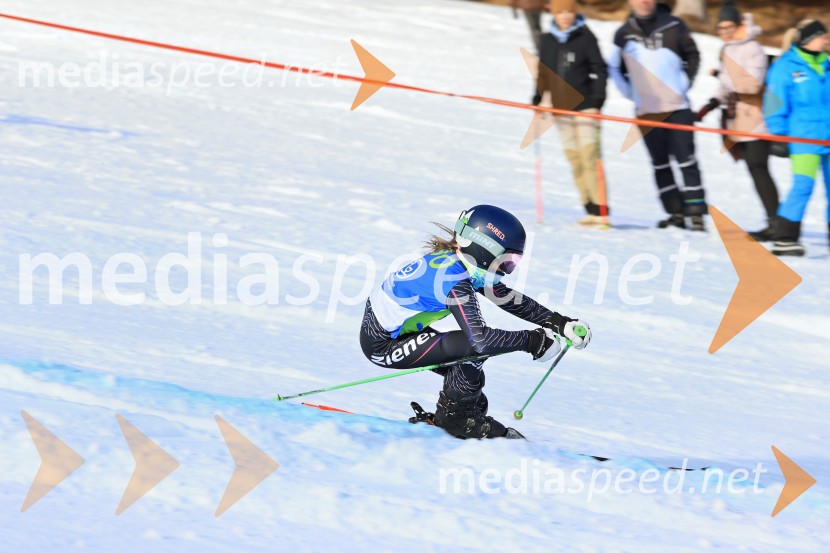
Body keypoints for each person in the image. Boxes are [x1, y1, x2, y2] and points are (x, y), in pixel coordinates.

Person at [359, 205, 592, 439]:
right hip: (383, 345)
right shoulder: (453, 278)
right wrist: (532, 341)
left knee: (474, 394)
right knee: (472, 351)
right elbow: (480, 339)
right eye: (508, 260)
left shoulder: (461, 262)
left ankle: (453, 418)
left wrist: (558, 323)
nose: (509, 270)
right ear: (484, 249)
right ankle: (454, 422)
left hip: (396, 333)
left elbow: (506, 297)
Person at [608, 0, 707, 231]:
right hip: (647, 112)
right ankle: (675, 212)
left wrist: (683, 84)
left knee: (687, 160)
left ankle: (696, 212)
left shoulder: (675, 25)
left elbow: (693, 56)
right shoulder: (623, 34)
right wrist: (631, 93)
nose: (643, 3)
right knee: (660, 164)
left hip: (678, 108)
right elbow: (614, 67)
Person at [696, 2, 779, 241]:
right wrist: (710, 104)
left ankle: (777, 223)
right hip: (736, 121)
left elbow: (752, 83)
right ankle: (773, 220)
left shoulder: (753, 48)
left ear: (740, 24)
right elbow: (726, 86)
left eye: (729, 26)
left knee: (759, 168)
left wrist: (723, 76)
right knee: (755, 170)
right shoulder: (727, 49)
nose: (725, 32)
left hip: (756, 119)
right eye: (720, 28)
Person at [533, 0, 610, 226]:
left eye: (569, 11)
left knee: (589, 157)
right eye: (561, 12)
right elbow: (543, 73)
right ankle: (589, 208)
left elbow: (600, 69)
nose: (566, 16)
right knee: (574, 160)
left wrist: (598, 98)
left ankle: (601, 211)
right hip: (560, 109)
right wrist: (538, 98)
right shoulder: (548, 40)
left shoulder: (585, 37)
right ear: (554, 14)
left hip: (586, 107)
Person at [764, 19, 830, 256]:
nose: (826, 39)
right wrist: (779, 134)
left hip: (828, 135)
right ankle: (784, 237)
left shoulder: (827, 64)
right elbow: (773, 103)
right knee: (803, 185)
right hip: (804, 137)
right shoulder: (786, 65)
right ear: (810, 39)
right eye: (823, 35)